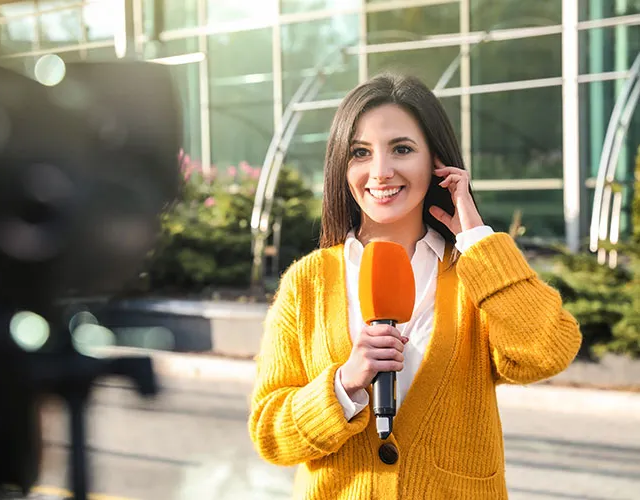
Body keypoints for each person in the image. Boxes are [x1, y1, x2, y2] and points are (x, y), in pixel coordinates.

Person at [247, 73, 582, 499]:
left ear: (436, 161)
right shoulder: (307, 282)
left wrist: (477, 239)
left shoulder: (474, 271)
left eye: (402, 149)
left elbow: (547, 352)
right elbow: (270, 435)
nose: (381, 172)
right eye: (360, 153)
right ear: (341, 166)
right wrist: (345, 383)